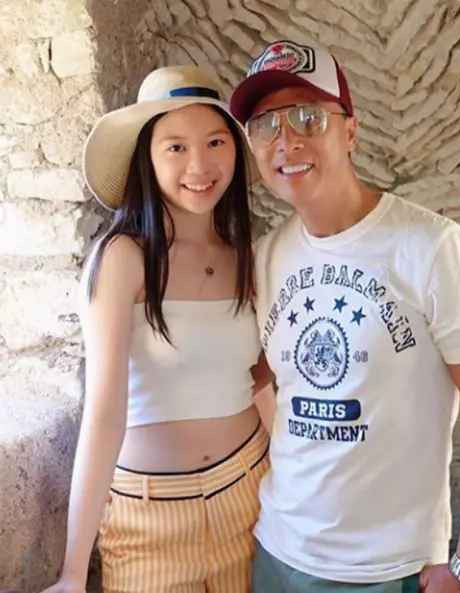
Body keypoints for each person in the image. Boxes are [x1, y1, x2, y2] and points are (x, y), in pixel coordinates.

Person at [229, 40, 460, 593]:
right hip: (276, 554)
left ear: (350, 131)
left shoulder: (432, 249)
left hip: (387, 572)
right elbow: (255, 378)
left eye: (307, 116)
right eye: (265, 125)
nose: (286, 139)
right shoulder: (266, 258)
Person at [41, 65, 271, 593]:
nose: (199, 165)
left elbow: (260, 382)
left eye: (215, 142)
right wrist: (72, 573)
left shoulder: (246, 256)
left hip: (252, 497)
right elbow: (104, 413)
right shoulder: (123, 257)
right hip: (149, 521)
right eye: (175, 147)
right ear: (146, 156)